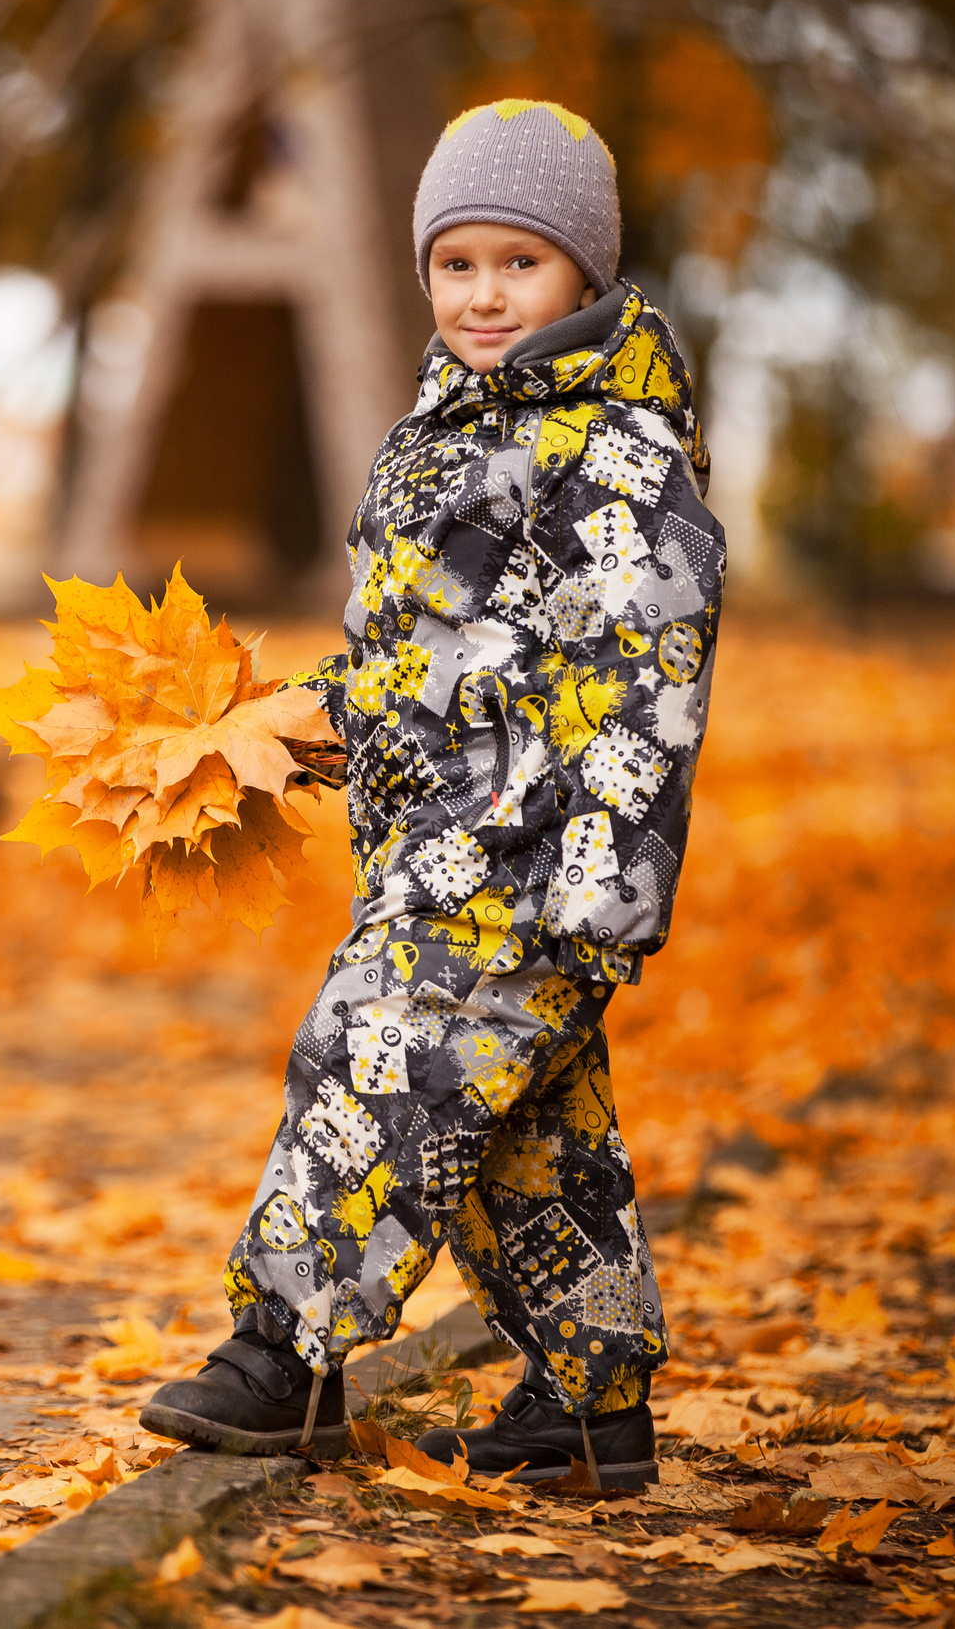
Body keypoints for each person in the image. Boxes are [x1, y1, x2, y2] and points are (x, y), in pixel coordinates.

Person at [139, 99, 724, 1488]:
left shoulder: (618, 455)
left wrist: (601, 899)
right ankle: (591, 1405)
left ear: (585, 273)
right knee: (526, 1138)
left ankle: (285, 1354)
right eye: (456, 265)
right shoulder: (445, 431)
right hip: (439, 847)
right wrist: (306, 721)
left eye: (518, 264)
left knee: (374, 1062)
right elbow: (428, 661)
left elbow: (645, 679)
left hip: (536, 864)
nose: (483, 294)